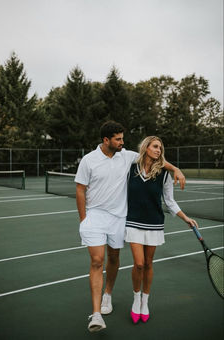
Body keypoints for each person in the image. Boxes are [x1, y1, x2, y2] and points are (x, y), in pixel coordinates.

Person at [75, 121, 185, 332]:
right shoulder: (88, 160)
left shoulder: (126, 156)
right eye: (118, 139)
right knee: (97, 261)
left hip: (119, 218)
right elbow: (80, 190)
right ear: (106, 140)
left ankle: (108, 294)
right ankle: (96, 314)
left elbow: (152, 156)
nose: (122, 142)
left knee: (114, 258)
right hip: (95, 217)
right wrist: (84, 220)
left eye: (122, 138)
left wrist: (176, 168)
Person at [125, 136, 198, 324]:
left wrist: (186, 218)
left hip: (154, 223)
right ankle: (136, 298)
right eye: (155, 146)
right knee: (139, 264)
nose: (158, 150)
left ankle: (145, 301)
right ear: (146, 147)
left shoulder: (164, 174)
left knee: (149, 264)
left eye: (160, 148)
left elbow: (170, 201)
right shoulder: (130, 167)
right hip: (133, 222)